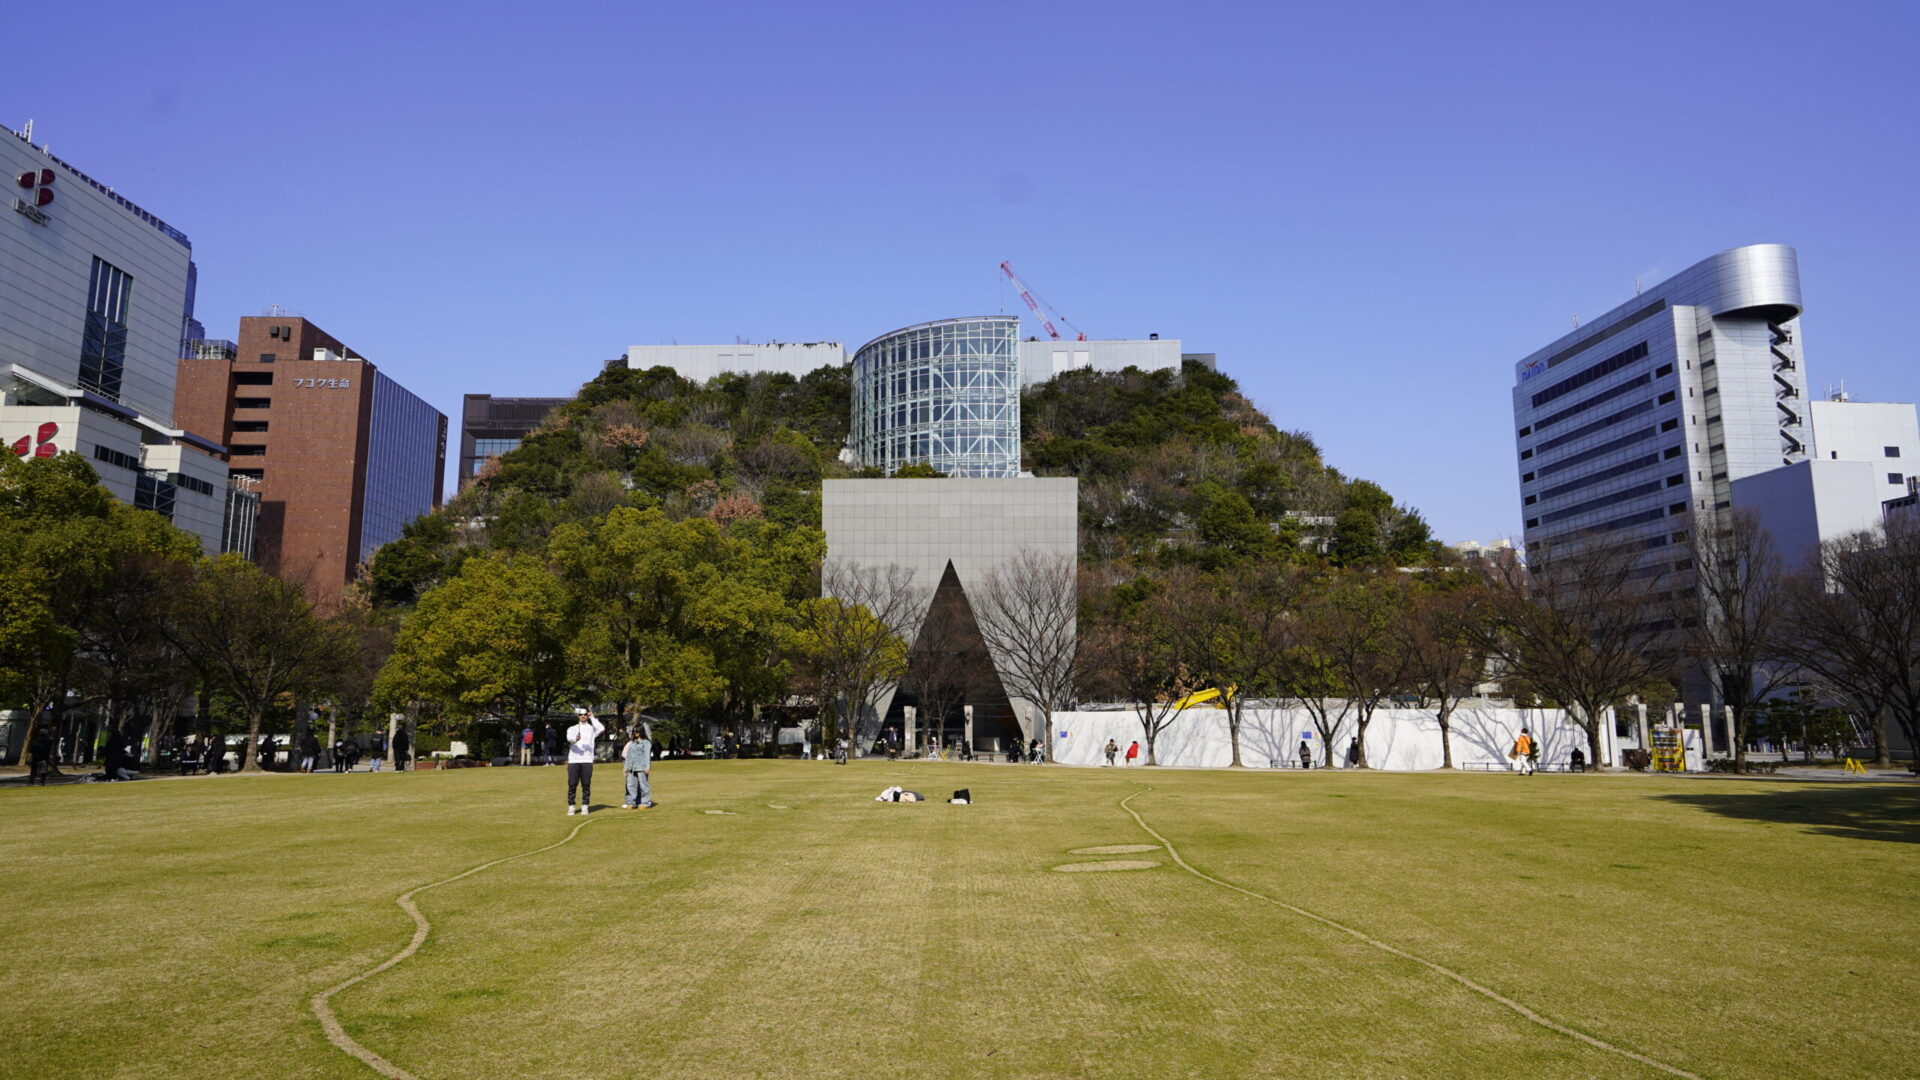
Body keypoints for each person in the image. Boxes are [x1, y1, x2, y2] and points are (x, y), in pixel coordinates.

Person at [565, 707, 605, 815]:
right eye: (581, 714)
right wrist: (576, 739)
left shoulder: (591, 728)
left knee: (586, 784)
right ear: (578, 716)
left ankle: (585, 805)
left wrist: (593, 717)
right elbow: (569, 738)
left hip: (587, 760)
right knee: (572, 784)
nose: (583, 716)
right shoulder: (572, 728)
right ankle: (571, 806)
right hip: (574, 760)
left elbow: (601, 728)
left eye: (585, 714)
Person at [622, 726, 654, 809]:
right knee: (630, 785)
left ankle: (645, 803)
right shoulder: (632, 743)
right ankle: (632, 803)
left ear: (641, 731)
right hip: (631, 768)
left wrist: (647, 767)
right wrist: (626, 768)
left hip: (641, 767)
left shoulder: (646, 743)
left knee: (643, 786)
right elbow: (628, 756)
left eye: (637, 731)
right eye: (634, 731)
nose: (635, 733)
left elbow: (647, 756)